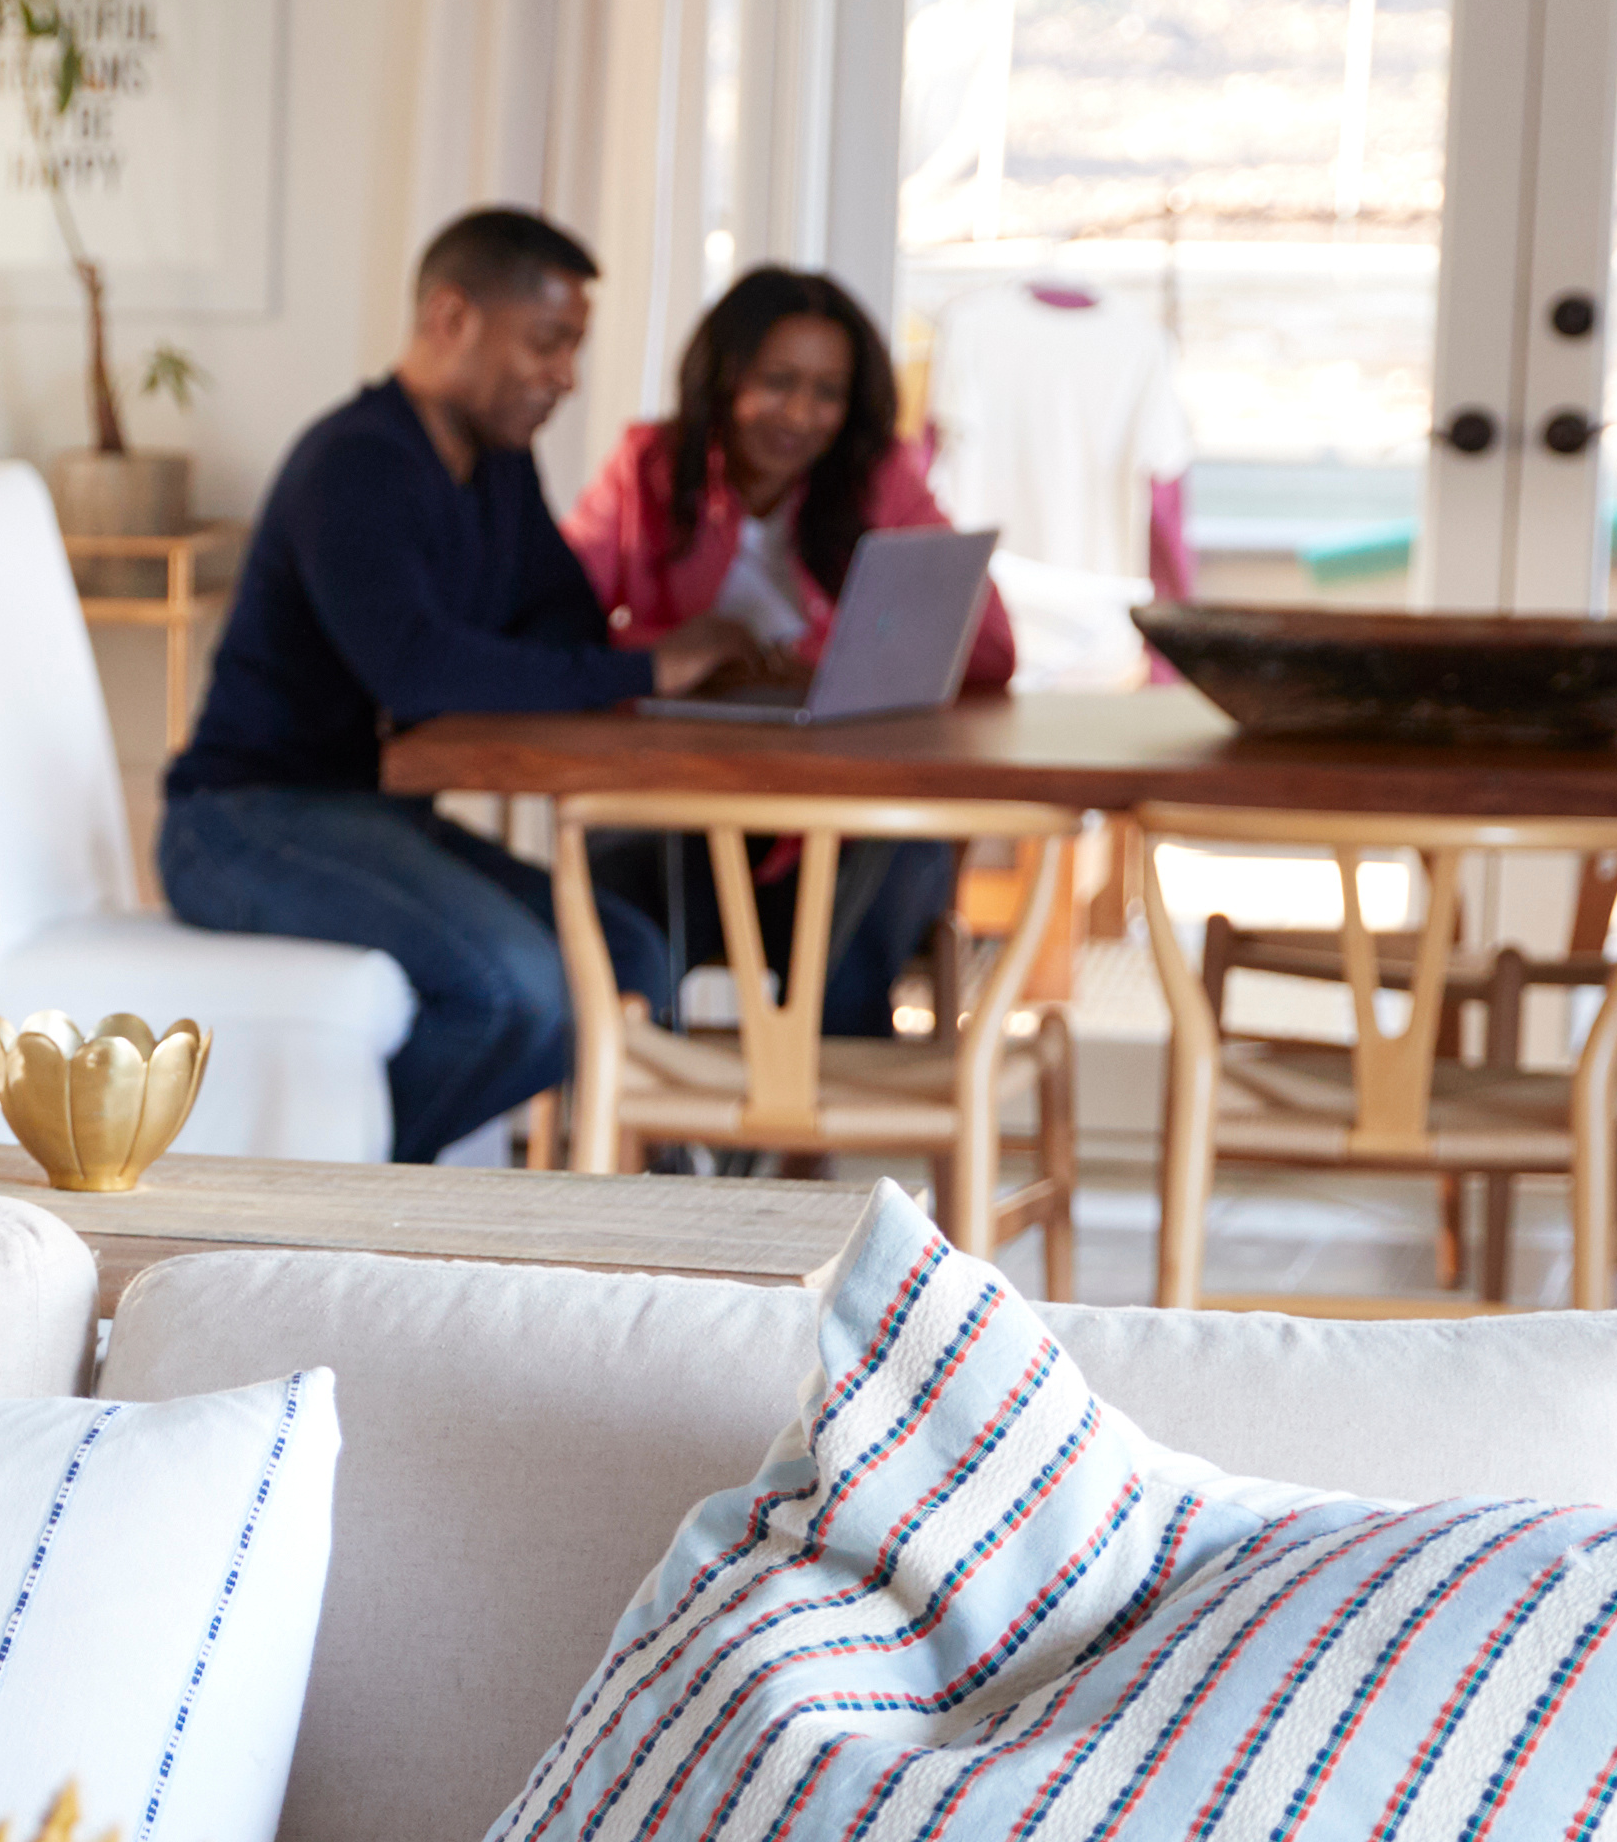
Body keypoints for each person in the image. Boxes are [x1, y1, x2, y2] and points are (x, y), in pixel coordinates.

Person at [154, 208, 750, 1162]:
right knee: (521, 990)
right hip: (244, 823)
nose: (564, 376)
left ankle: (654, 1228)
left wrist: (554, 658)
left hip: (372, 819)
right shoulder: (356, 465)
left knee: (632, 952)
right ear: (451, 316)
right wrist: (643, 668)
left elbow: (558, 618)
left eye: (573, 350)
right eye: (548, 343)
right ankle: (335, 1204)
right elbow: (422, 673)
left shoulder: (496, 468)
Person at [562, 265, 1015, 1039]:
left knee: (864, 914)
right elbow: (556, 625)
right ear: (724, 377)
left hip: (844, 827)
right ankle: (645, 1148)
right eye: (777, 381)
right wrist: (682, 654)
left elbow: (993, 652)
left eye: (827, 391)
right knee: (617, 915)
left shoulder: (880, 480)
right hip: (689, 813)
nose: (801, 415)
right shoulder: (647, 466)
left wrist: (833, 669)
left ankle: (795, 1151)